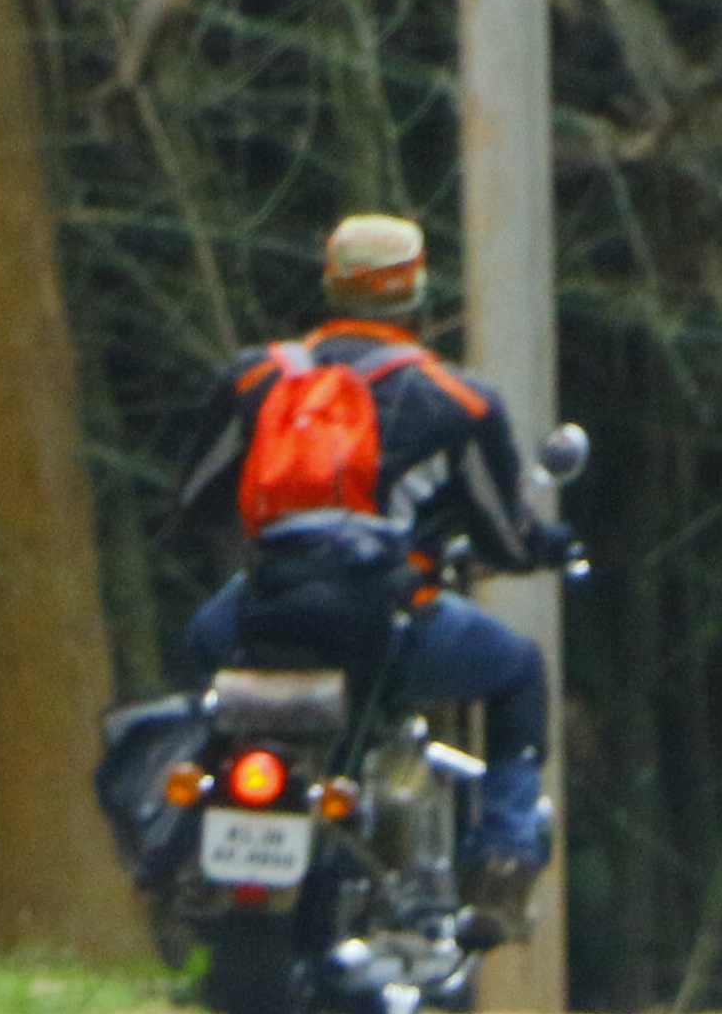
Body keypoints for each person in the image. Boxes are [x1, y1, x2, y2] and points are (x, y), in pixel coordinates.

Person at [158, 210, 577, 905]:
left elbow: (196, 499)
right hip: (390, 623)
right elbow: (506, 538)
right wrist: (547, 546)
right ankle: (502, 849)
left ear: (330, 285)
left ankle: (183, 829)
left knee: (202, 650)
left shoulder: (253, 379)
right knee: (520, 671)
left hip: (264, 609)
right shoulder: (458, 401)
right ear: (415, 293)